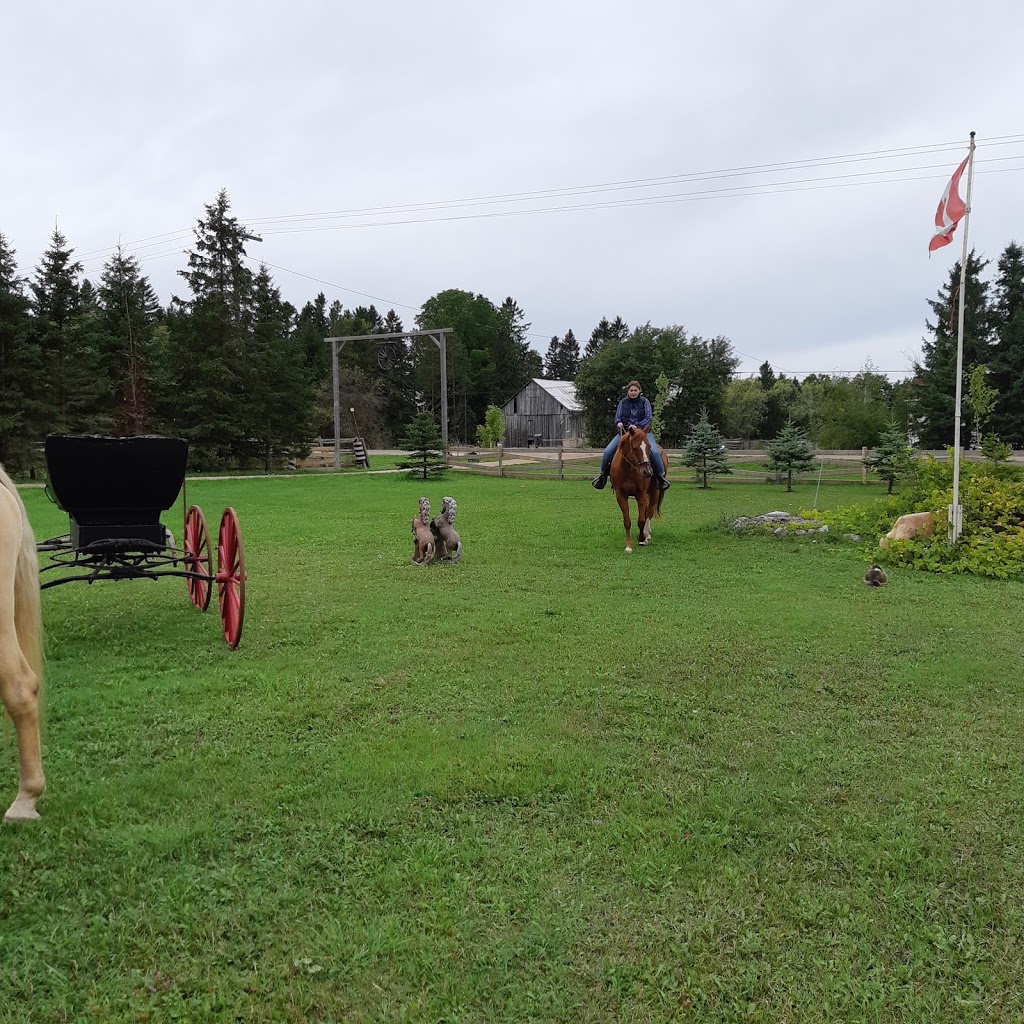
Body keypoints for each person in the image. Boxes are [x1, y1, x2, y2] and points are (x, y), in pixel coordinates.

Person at [592, 380, 670, 491]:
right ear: (628, 391)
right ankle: (602, 477)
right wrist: (618, 423)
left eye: (635, 390)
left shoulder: (645, 402)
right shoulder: (623, 402)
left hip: (643, 433)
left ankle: (661, 478)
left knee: (655, 452)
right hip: (625, 433)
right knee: (607, 452)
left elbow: (648, 418)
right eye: (631, 390)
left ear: (639, 391)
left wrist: (637, 426)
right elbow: (617, 417)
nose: (633, 392)